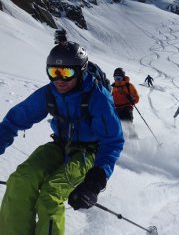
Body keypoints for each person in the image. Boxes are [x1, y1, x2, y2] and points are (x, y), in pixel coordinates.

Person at [0, 41, 124, 235]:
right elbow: (14, 121)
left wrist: (96, 180)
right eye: (53, 72)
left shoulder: (97, 97)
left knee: (51, 193)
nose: (59, 80)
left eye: (66, 73)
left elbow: (113, 141)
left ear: (81, 71)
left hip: (87, 153)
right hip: (58, 146)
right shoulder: (50, 93)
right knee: (20, 180)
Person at [111, 68, 140, 138]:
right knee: (114, 125)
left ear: (123, 77)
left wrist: (131, 98)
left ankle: (133, 138)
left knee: (127, 121)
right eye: (116, 78)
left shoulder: (129, 86)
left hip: (126, 107)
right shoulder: (113, 87)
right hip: (116, 109)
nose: (117, 80)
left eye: (119, 78)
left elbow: (136, 98)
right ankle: (119, 139)